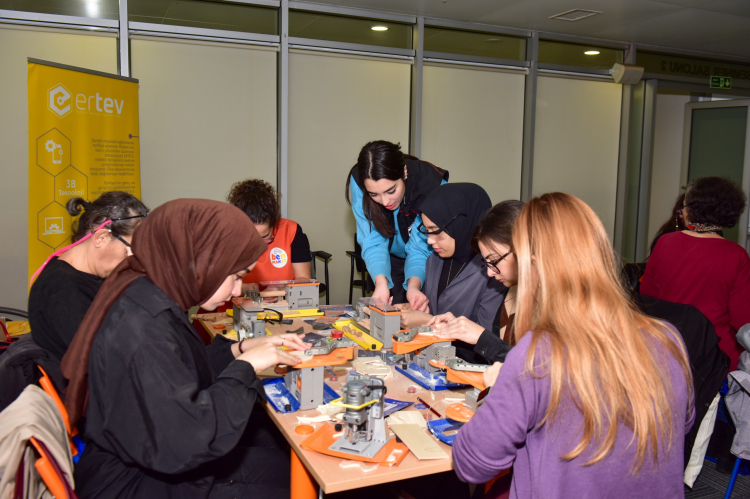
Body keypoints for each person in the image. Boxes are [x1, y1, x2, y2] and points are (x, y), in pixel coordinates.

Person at [61, 199, 309, 498]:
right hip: (139, 484)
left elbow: (182, 369)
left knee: (290, 465)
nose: (236, 290)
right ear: (201, 263)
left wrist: (241, 348)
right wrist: (247, 367)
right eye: (236, 276)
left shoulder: (148, 292)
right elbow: (188, 437)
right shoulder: (145, 327)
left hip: (155, 460)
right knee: (296, 483)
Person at [452, 193, 694, 499]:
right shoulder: (668, 339)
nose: (491, 272)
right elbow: (681, 426)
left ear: (533, 265)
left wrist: (496, 391)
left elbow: (471, 464)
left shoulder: (537, 355)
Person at [641, 176, 750, 370]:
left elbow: (647, 298)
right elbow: (742, 319)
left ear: (692, 209)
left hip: (666, 349)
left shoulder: (664, 243)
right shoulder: (736, 255)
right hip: (714, 358)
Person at [29, 192, 148, 361]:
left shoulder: (91, 277)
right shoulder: (63, 289)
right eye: (129, 249)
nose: (132, 259)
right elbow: (103, 358)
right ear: (101, 238)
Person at [346, 140, 447, 309]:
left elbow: (420, 247)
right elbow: (372, 241)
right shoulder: (359, 181)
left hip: (428, 256)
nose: (385, 201)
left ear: (404, 172)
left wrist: (413, 287)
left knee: (424, 310)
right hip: (387, 259)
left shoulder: (431, 185)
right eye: (374, 194)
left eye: (391, 190)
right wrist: (381, 282)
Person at [399, 184, 505, 337]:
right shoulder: (435, 259)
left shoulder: (494, 273)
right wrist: (413, 310)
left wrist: (428, 322)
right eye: (427, 231)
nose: (429, 241)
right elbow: (434, 310)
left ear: (462, 225)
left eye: (436, 231)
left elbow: (488, 341)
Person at [427, 200, 524, 364]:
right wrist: (460, 329)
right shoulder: (513, 292)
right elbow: (506, 357)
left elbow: (533, 369)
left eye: (494, 260)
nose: (490, 272)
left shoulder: (555, 305)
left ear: (523, 249)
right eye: (487, 263)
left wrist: (481, 336)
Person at [227, 179, 312, 290]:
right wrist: (243, 289)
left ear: (274, 223)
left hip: (282, 299)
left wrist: (280, 289)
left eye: (265, 237)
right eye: (250, 238)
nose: (258, 245)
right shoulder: (226, 236)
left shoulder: (291, 231)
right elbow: (215, 284)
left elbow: (304, 280)